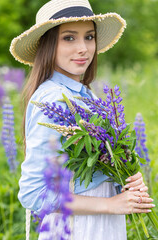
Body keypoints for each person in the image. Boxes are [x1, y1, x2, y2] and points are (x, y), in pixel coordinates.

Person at [10, 0, 154, 239]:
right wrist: (111, 204)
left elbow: (93, 171)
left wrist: (125, 180)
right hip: (77, 228)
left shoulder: (86, 94)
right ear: (48, 44)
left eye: (89, 37)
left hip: (101, 223)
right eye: (69, 38)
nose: (83, 48)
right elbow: (34, 194)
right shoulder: (53, 99)